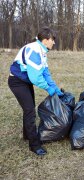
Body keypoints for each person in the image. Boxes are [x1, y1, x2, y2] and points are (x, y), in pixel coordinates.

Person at [8, 27, 63, 156]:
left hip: (25, 82)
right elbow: (35, 78)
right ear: (45, 40)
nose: (54, 43)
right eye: (52, 40)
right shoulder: (34, 50)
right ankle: (34, 145)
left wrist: (54, 87)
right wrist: (48, 88)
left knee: (29, 109)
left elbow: (45, 73)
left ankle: (27, 135)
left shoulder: (42, 51)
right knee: (30, 111)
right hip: (17, 82)